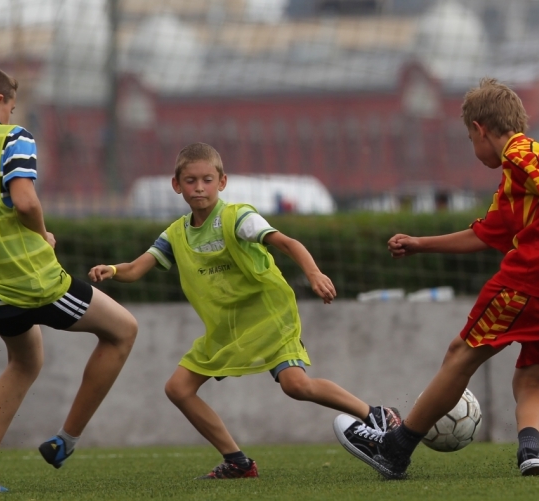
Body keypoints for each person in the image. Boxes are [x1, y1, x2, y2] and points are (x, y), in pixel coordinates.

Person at [332, 77, 539, 480]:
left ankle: (395, 447)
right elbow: (485, 234)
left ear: (480, 129)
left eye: (469, 139)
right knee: (531, 374)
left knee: (461, 353)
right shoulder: (515, 184)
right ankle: (531, 452)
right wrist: (420, 243)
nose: (473, 148)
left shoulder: (522, 152)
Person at [89, 142, 400, 480]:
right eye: (190, 181)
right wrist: (114, 271)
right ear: (176, 185)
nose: (199, 188)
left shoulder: (238, 218)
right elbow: (137, 268)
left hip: (268, 317)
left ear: (222, 182)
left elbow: (287, 243)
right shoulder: (175, 234)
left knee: (295, 385)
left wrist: (313, 273)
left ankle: (377, 415)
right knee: (177, 389)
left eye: (207, 180)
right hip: (227, 330)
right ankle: (238, 462)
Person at [0, 63, 139, 494]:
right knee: (123, 330)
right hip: (26, 277)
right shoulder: (12, 137)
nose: (11, 114)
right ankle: (66, 440)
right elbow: (25, 202)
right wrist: (43, 234)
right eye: (9, 106)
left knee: (26, 360)